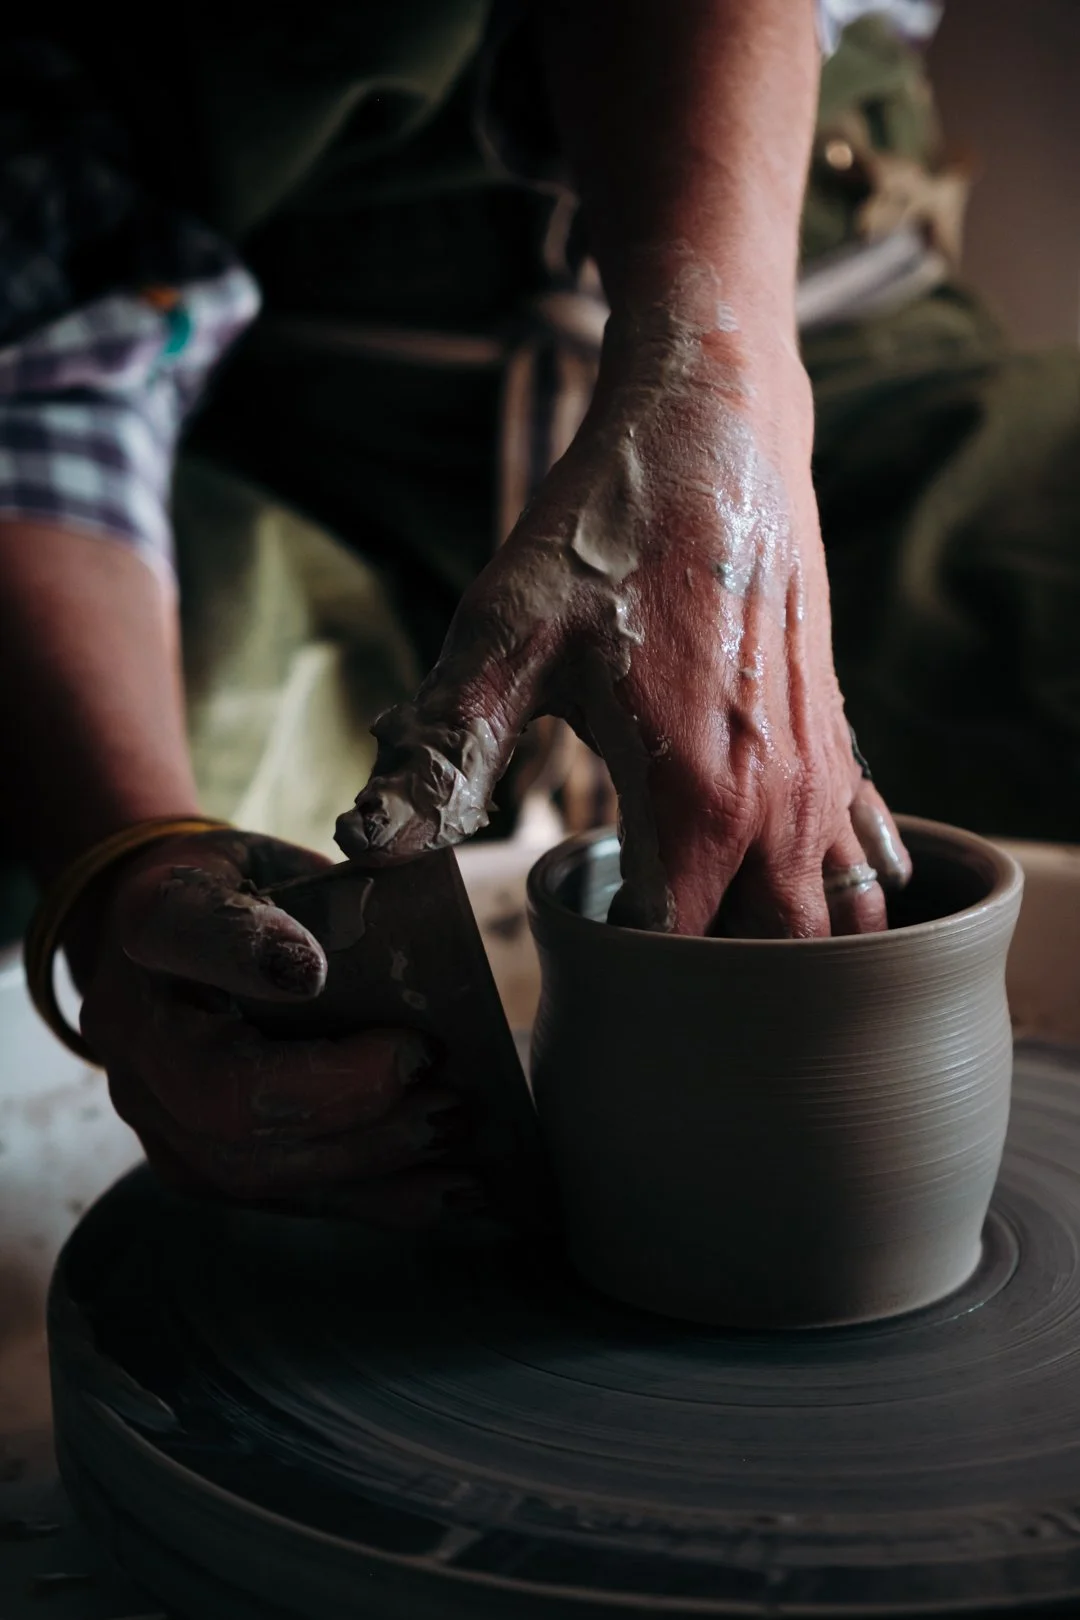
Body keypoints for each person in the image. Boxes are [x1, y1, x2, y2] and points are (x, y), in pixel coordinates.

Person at [3, 1, 1063, 1225]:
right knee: (222, 954)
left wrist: (719, 374)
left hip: (815, 324)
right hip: (307, 422)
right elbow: (37, 363)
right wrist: (121, 853)